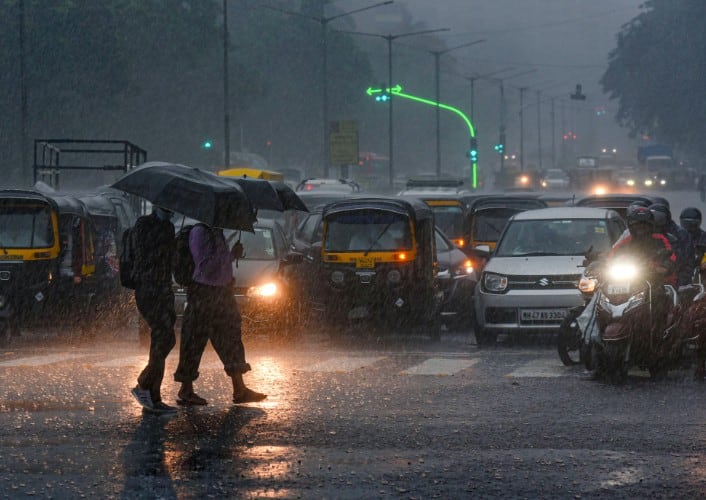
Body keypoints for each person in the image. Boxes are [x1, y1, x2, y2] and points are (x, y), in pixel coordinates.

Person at [174, 223, 266, 406]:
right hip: (204, 293)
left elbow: (218, 263)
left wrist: (232, 255)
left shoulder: (217, 233)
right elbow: (205, 266)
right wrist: (228, 257)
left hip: (222, 293)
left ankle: (239, 389)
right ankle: (186, 389)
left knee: (231, 338)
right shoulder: (200, 233)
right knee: (194, 340)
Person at [129, 206, 178, 413]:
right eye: (167, 208)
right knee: (163, 336)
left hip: (164, 288)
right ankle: (146, 387)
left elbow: (169, 261)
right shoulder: (144, 224)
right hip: (148, 289)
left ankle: (150, 390)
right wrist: (166, 246)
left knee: (165, 339)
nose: (170, 212)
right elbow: (145, 254)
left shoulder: (169, 227)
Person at [649, 203, 693, 287]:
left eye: (659, 218)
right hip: (646, 272)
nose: (655, 221)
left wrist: (681, 281)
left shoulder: (679, 234)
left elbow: (681, 259)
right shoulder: (641, 233)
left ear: (666, 219)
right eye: (652, 217)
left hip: (673, 274)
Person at [679, 207, 706, 277]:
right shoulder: (677, 235)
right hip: (680, 268)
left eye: (692, 223)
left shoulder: (703, 237)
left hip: (699, 269)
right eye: (687, 222)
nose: (689, 226)